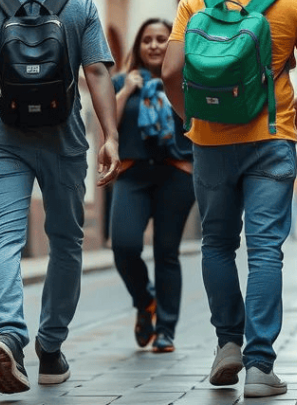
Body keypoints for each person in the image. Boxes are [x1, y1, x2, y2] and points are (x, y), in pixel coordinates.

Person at [162, 0, 297, 398]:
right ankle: (261, 367)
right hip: (270, 137)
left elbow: (171, 72)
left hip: (210, 141)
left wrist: (190, 118)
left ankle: (227, 346)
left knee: (217, 242)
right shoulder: (292, 4)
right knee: (265, 251)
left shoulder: (196, 0)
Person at [0, 0, 120, 394]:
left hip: (2, 138)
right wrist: (110, 135)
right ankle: (50, 348)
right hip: (64, 139)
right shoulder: (78, 4)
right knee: (66, 241)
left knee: (4, 238)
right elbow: (97, 73)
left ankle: (8, 332)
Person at [109, 18, 195, 354]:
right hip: (133, 173)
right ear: (138, 46)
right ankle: (146, 302)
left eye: (162, 39)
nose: (155, 45)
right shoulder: (120, 81)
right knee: (125, 246)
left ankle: (166, 330)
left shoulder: (185, 82)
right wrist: (127, 89)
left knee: (166, 252)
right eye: (147, 40)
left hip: (176, 173)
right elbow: (107, 125)